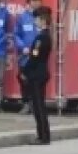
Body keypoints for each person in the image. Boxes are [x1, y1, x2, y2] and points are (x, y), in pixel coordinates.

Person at [22, 7, 53, 145]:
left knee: (38, 106)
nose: (35, 21)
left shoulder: (41, 38)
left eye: (37, 18)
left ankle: (43, 135)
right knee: (38, 105)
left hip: (37, 74)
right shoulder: (44, 36)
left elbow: (34, 58)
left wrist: (24, 70)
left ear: (43, 20)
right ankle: (43, 134)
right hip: (40, 72)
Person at [14, 0, 44, 114]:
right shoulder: (22, 17)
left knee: (36, 80)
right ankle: (26, 102)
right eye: (34, 1)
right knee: (23, 79)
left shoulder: (42, 17)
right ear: (29, 2)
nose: (37, 3)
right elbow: (16, 35)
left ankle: (36, 103)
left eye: (38, 1)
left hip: (38, 56)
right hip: (25, 56)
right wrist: (22, 47)